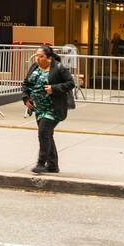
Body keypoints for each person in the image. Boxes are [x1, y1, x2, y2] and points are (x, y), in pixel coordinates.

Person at [21, 44, 76, 175]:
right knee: (47, 135)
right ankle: (52, 165)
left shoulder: (59, 68)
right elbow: (26, 84)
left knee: (43, 133)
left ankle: (41, 163)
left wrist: (54, 88)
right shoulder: (34, 67)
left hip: (54, 108)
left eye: (41, 56)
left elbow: (70, 83)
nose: (38, 59)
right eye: (37, 56)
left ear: (49, 58)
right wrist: (26, 99)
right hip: (39, 108)